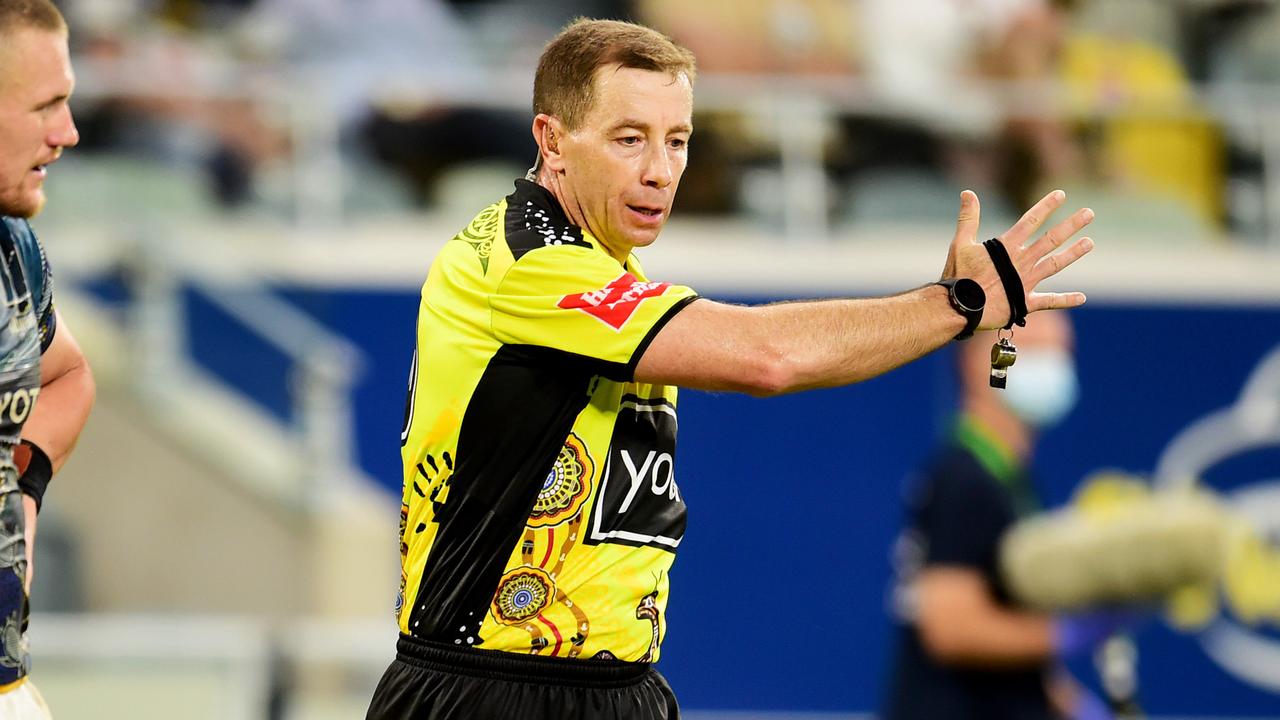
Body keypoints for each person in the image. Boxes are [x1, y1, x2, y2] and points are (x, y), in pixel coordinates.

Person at [369, 18, 1095, 720]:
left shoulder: (604, 262)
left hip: (614, 684)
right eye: (630, 139)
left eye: (677, 140)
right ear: (552, 141)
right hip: (488, 690)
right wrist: (956, 305)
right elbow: (766, 356)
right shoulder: (525, 265)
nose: (660, 170)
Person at [882, 313, 1124, 720]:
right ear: (984, 363)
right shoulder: (965, 480)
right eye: (1033, 350)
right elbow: (950, 626)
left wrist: (1068, 702)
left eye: (1061, 351)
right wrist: (1066, 633)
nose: (1053, 365)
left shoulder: (1010, 480)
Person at [0, 1, 97, 717]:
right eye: (46, 106)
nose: (67, 133)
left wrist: (23, 488)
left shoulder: (14, 249)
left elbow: (67, 375)